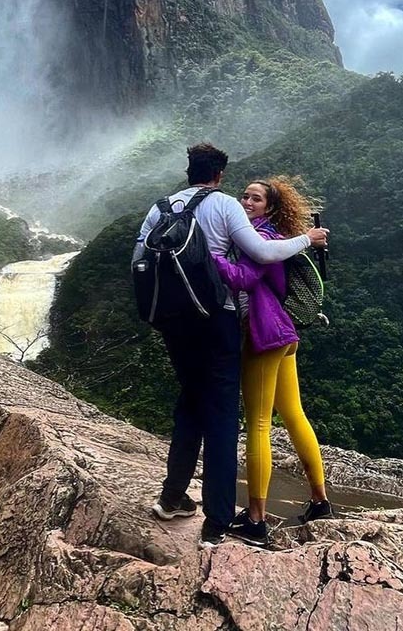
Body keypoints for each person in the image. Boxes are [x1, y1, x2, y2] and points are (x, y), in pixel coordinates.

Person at [135, 144, 328, 548]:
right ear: (220, 175)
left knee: (189, 402)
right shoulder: (223, 206)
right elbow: (260, 253)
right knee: (222, 415)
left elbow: (139, 259)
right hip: (217, 318)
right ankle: (217, 521)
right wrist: (306, 240)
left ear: (189, 171)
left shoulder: (160, 208)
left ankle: (172, 498)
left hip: (174, 321)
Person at [213, 177, 332, 547]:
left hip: (265, 336)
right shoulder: (270, 235)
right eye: (245, 195)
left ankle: (256, 519)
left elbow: (241, 277)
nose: (246, 201)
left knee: (259, 423)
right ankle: (320, 500)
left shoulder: (263, 239)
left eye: (256, 198)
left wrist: (210, 256)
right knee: (293, 413)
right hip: (285, 334)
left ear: (270, 207)